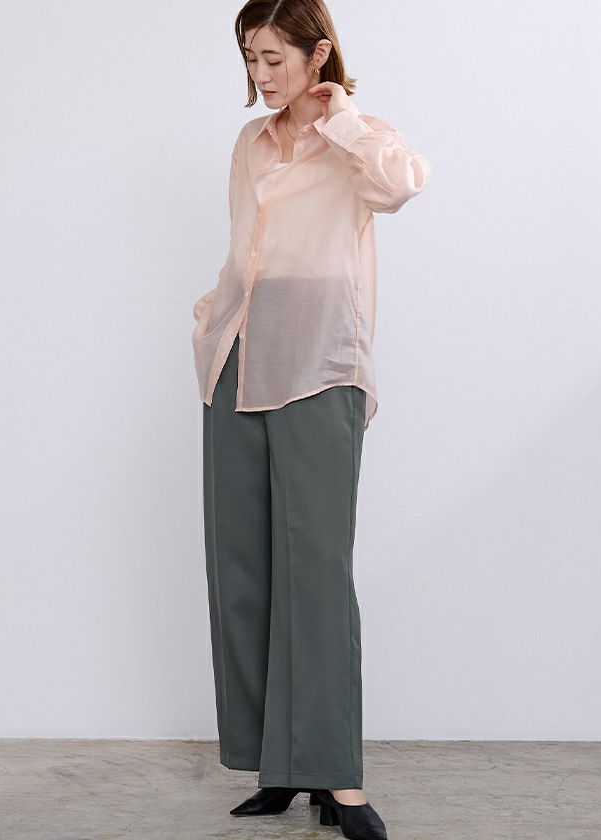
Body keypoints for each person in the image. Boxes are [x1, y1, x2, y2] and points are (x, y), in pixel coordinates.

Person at [191, 2, 431, 838]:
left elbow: (402, 185)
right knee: (243, 569)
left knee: (317, 572)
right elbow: (244, 250)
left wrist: (343, 116)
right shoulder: (249, 143)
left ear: (317, 53)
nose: (260, 76)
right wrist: (210, 323)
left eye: (273, 58)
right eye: (249, 59)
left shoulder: (357, 137)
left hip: (319, 365)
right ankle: (279, 766)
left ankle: (336, 778)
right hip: (237, 361)